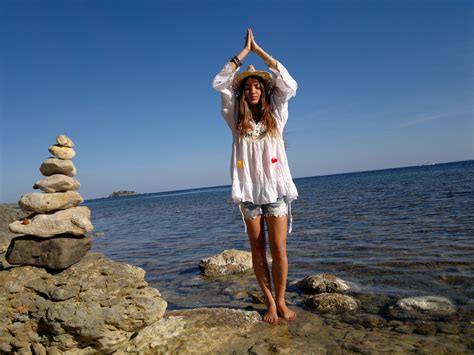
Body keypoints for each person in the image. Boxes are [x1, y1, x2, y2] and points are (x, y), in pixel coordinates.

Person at [212, 28, 299, 325]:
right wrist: (242, 55)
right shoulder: (234, 117)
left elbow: (289, 84)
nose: (252, 90)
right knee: (258, 251)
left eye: (257, 86)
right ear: (243, 92)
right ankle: (270, 303)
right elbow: (219, 82)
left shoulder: (278, 113)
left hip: (275, 190)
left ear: (264, 90)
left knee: (279, 249)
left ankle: (283, 300)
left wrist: (260, 52)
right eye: (247, 87)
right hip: (249, 193)